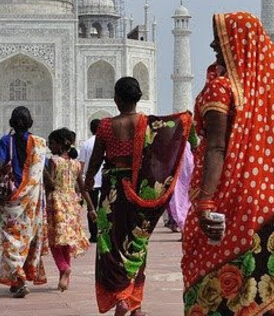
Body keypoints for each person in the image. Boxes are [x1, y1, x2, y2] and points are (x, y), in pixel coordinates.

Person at [181, 12, 274, 315]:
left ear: (236, 43)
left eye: (220, 39)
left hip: (227, 198)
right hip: (267, 201)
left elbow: (217, 147)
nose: (213, 44)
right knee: (257, 278)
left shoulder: (222, 88)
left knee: (216, 282)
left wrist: (206, 202)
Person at [85, 77, 191, 316]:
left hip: (111, 192)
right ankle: (134, 304)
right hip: (138, 192)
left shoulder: (104, 126)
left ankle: (121, 298)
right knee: (136, 244)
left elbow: (95, 161)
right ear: (139, 98)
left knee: (110, 245)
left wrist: (87, 181)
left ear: (116, 99)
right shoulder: (147, 124)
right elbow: (161, 150)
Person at [0, 106, 49, 298]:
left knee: (10, 240)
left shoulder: (5, 141)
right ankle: (17, 279)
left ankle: (19, 277)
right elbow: (45, 174)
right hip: (32, 202)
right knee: (25, 239)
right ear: (31, 122)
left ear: (11, 123)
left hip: (11, 200)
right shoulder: (40, 144)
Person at [45, 127, 93, 292]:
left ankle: (64, 268)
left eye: (51, 143)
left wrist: (42, 171)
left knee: (54, 241)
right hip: (72, 204)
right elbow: (83, 187)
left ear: (59, 144)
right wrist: (91, 209)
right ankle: (64, 277)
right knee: (66, 242)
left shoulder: (54, 161)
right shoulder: (76, 164)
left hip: (56, 203)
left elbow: (50, 184)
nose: (50, 147)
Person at [79, 118, 103, 243]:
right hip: (104, 180)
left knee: (91, 207)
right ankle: (104, 233)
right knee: (104, 207)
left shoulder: (86, 144)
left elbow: (81, 165)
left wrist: (82, 180)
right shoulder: (106, 142)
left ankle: (94, 234)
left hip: (90, 181)